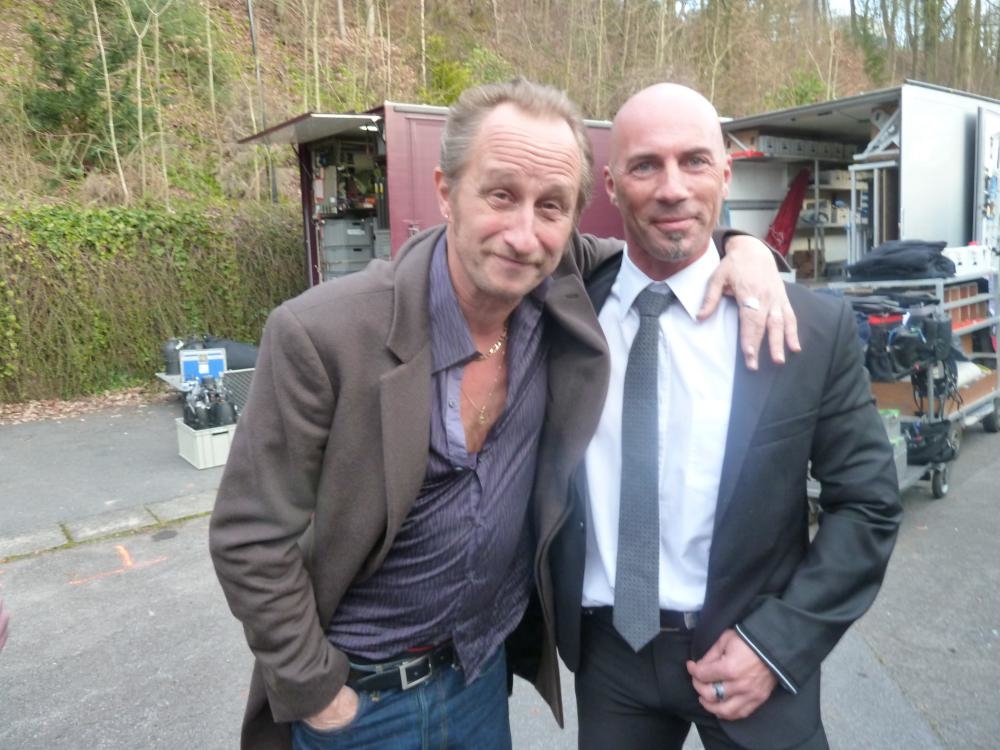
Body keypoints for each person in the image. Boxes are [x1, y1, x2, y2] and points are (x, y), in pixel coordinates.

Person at [209, 79, 795, 750]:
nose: (523, 235)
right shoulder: (323, 334)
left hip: (480, 682)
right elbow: (249, 536)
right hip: (360, 701)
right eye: (499, 196)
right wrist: (319, 693)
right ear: (445, 191)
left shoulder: (561, 287)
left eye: (551, 206)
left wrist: (747, 249)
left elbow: (667, 246)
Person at [542, 83, 902, 750]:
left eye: (695, 161)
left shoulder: (808, 329)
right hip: (610, 657)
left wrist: (778, 643)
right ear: (611, 186)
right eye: (645, 165)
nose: (673, 188)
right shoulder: (564, 314)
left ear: (726, 173)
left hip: (752, 649)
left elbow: (868, 505)